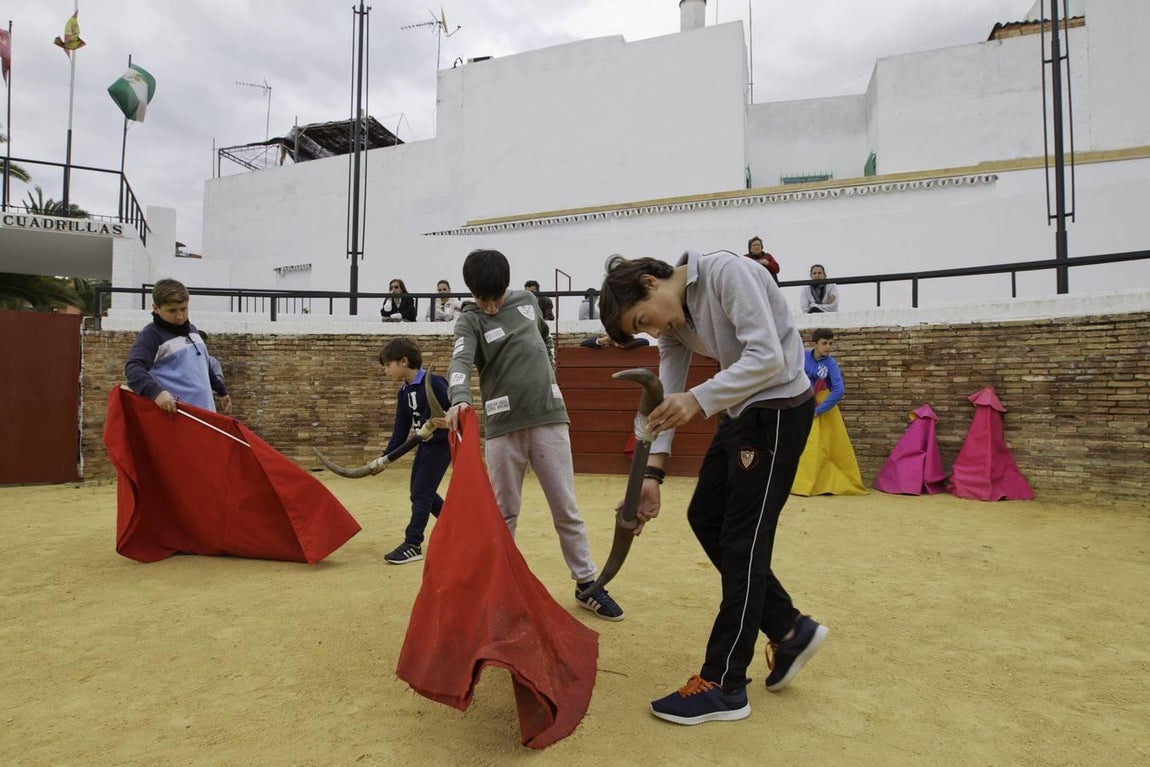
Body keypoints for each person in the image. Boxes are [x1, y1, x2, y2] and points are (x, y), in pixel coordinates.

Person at [599, 250, 827, 726]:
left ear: (650, 282)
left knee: (745, 542)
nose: (655, 331)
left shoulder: (727, 272)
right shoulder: (675, 323)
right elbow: (666, 395)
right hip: (742, 412)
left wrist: (699, 400)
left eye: (646, 320)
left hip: (779, 411)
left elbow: (768, 356)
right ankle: (789, 628)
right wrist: (652, 475)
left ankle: (725, 683)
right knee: (705, 517)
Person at [445, 249, 625, 621]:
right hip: (502, 427)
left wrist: (550, 377)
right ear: (472, 293)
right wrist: (459, 399)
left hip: (548, 417)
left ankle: (586, 584)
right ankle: (497, 588)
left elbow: (545, 340)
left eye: (495, 298)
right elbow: (460, 362)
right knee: (503, 513)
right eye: (483, 299)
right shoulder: (469, 321)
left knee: (566, 507)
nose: (491, 307)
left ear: (506, 287)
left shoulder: (528, 301)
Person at [378, 337, 452, 564]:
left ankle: (413, 544)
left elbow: (454, 414)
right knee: (420, 492)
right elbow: (400, 432)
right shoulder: (403, 392)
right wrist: (383, 460)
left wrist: (444, 422)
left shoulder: (434, 383)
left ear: (403, 361)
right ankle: (461, 527)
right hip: (424, 446)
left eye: (387, 365)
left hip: (441, 446)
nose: (385, 370)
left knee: (421, 493)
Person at [125, 278, 231, 414]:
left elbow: (204, 366)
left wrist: (222, 392)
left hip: (205, 414)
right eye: (172, 310)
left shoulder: (192, 330)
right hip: (178, 417)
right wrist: (156, 393)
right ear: (156, 308)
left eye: (183, 309)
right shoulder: (151, 335)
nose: (180, 316)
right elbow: (133, 367)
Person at [792, 328, 868, 496]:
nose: (828, 347)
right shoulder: (802, 357)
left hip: (820, 407)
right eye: (824, 343)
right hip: (801, 403)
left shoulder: (830, 364)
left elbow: (839, 390)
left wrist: (818, 410)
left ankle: (811, 484)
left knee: (820, 446)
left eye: (830, 343)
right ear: (815, 344)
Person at [580, 334, 650, 349]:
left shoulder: (628, 341)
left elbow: (645, 341)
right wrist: (603, 340)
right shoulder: (604, 342)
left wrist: (624, 344)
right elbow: (584, 344)